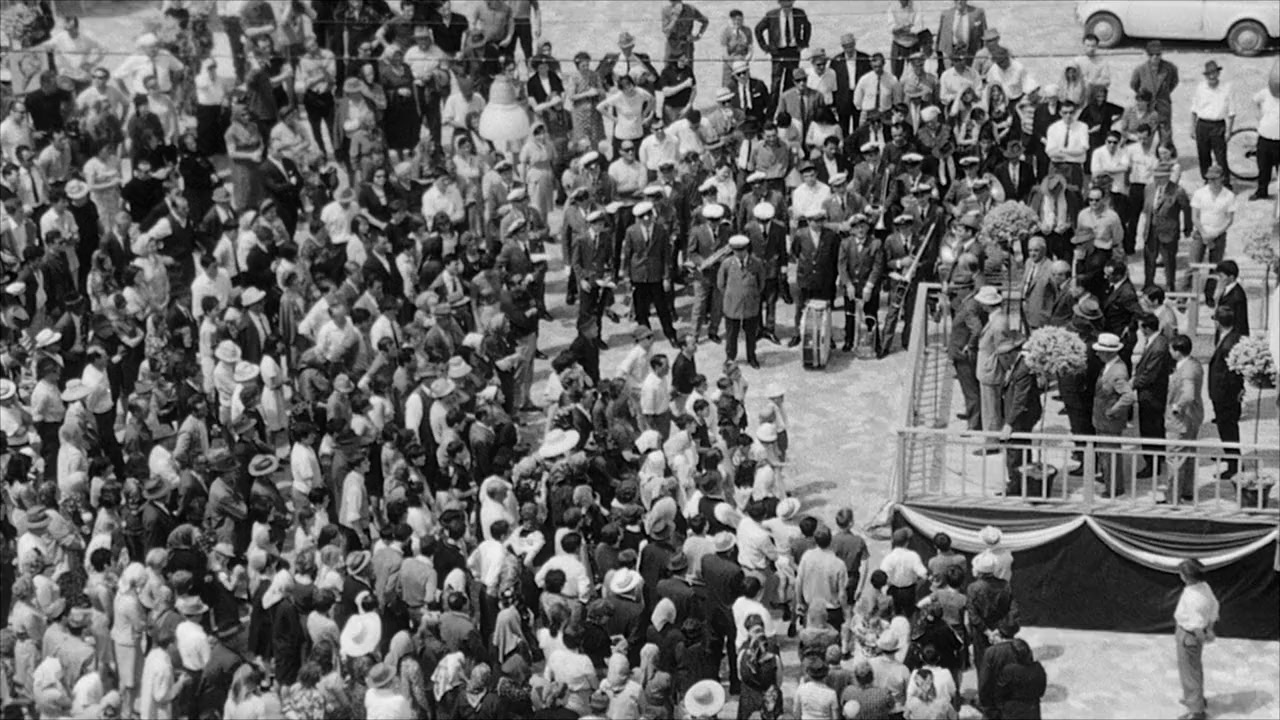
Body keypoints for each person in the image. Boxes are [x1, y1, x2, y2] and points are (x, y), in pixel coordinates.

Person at [1188, 167, 1235, 304]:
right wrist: (1204, 233)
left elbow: (1229, 219)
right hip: (1200, 232)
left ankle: (1209, 295)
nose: (1211, 182)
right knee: (1193, 264)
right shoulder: (1200, 193)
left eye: (1214, 179)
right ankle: (1188, 294)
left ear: (1222, 178)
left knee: (1215, 267)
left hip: (1218, 234)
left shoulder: (1229, 196)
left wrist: (1216, 233)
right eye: (1209, 179)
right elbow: (1195, 217)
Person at [1208, 307, 1244, 482]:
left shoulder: (1229, 343)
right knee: (1227, 429)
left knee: (1228, 430)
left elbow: (1231, 374)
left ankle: (1234, 465)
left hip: (1225, 395)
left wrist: (1232, 392)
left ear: (1218, 322)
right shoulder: (1232, 337)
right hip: (1225, 393)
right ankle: (1231, 458)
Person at [719, 234, 766, 368]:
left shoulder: (756, 263)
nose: (739, 254)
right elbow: (721, 284)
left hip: (750, 305)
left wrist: (751, 295)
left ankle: (751, 357)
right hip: (732, 306)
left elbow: (761, 283)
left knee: (751, 334)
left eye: (742, 250)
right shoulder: (727, 264)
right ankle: (730, 358)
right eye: (736, 251)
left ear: (747, 249)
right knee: (731, 335)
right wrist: (733, 295)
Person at [1190, 60, 1234, 185]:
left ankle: (1225, 183)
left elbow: (1232, 112)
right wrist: (1192, 128)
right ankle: (1207, 180)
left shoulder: (1226, 88)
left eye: (1214, 73)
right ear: (1206, 76)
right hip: (1202, 125)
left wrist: (1229, 131)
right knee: (1203, 155)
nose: (1212, 76)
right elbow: (1194, 109)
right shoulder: (1200, 88)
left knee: (1221, 157)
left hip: (1218, 125)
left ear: (1218, 73)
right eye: (1209, 74)